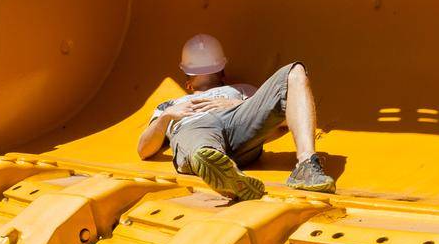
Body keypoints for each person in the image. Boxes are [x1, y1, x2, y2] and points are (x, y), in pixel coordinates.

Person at [137, 33, 337, 200]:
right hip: (195, 127)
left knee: (295, 71)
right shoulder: (171, 105)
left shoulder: (241, 90)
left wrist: (239, 104)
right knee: (201, 144)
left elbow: (285, 121)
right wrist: (166, 118)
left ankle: (307, 166)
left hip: (237, 121)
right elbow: (144, 150)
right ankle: (222, 170)